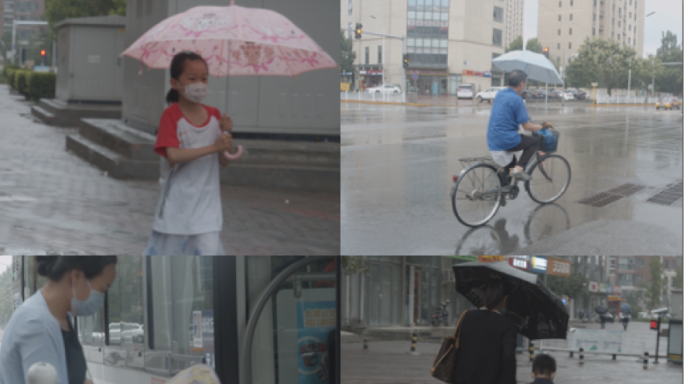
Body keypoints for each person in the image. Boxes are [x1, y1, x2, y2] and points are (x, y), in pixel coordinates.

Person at [144, 51, 234, 256]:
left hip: (207, 209)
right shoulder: (171, 116)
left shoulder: (215, 115)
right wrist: (214, 147)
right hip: (177, 207)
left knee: (210, 253)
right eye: (192, 79)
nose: (199, 84)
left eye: (204, 78)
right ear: (175, 84)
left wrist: (226, 133)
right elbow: (174, 156)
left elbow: (224, 161)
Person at [0, 256, 117, 384]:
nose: (101, 299)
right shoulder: (38, 324)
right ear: (76, 276)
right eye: (102, 289)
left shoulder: (61, 318)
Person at [487, 69, 552, 181]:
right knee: (534, 142)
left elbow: (506, 111)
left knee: (510, 165)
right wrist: (542, 126)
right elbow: (527, 126)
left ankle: (503, 193)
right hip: (505, 139)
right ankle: (519, 169)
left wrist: (520, 98)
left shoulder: (500, 94)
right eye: (525, 83)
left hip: (492, 138)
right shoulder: (517, 100)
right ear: (521, 83)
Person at [452, 280, 517, 384]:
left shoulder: (466, 317)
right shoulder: (507, 325)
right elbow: (508, 357)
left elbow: (456, 349)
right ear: (505, 299)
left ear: (484, 295)